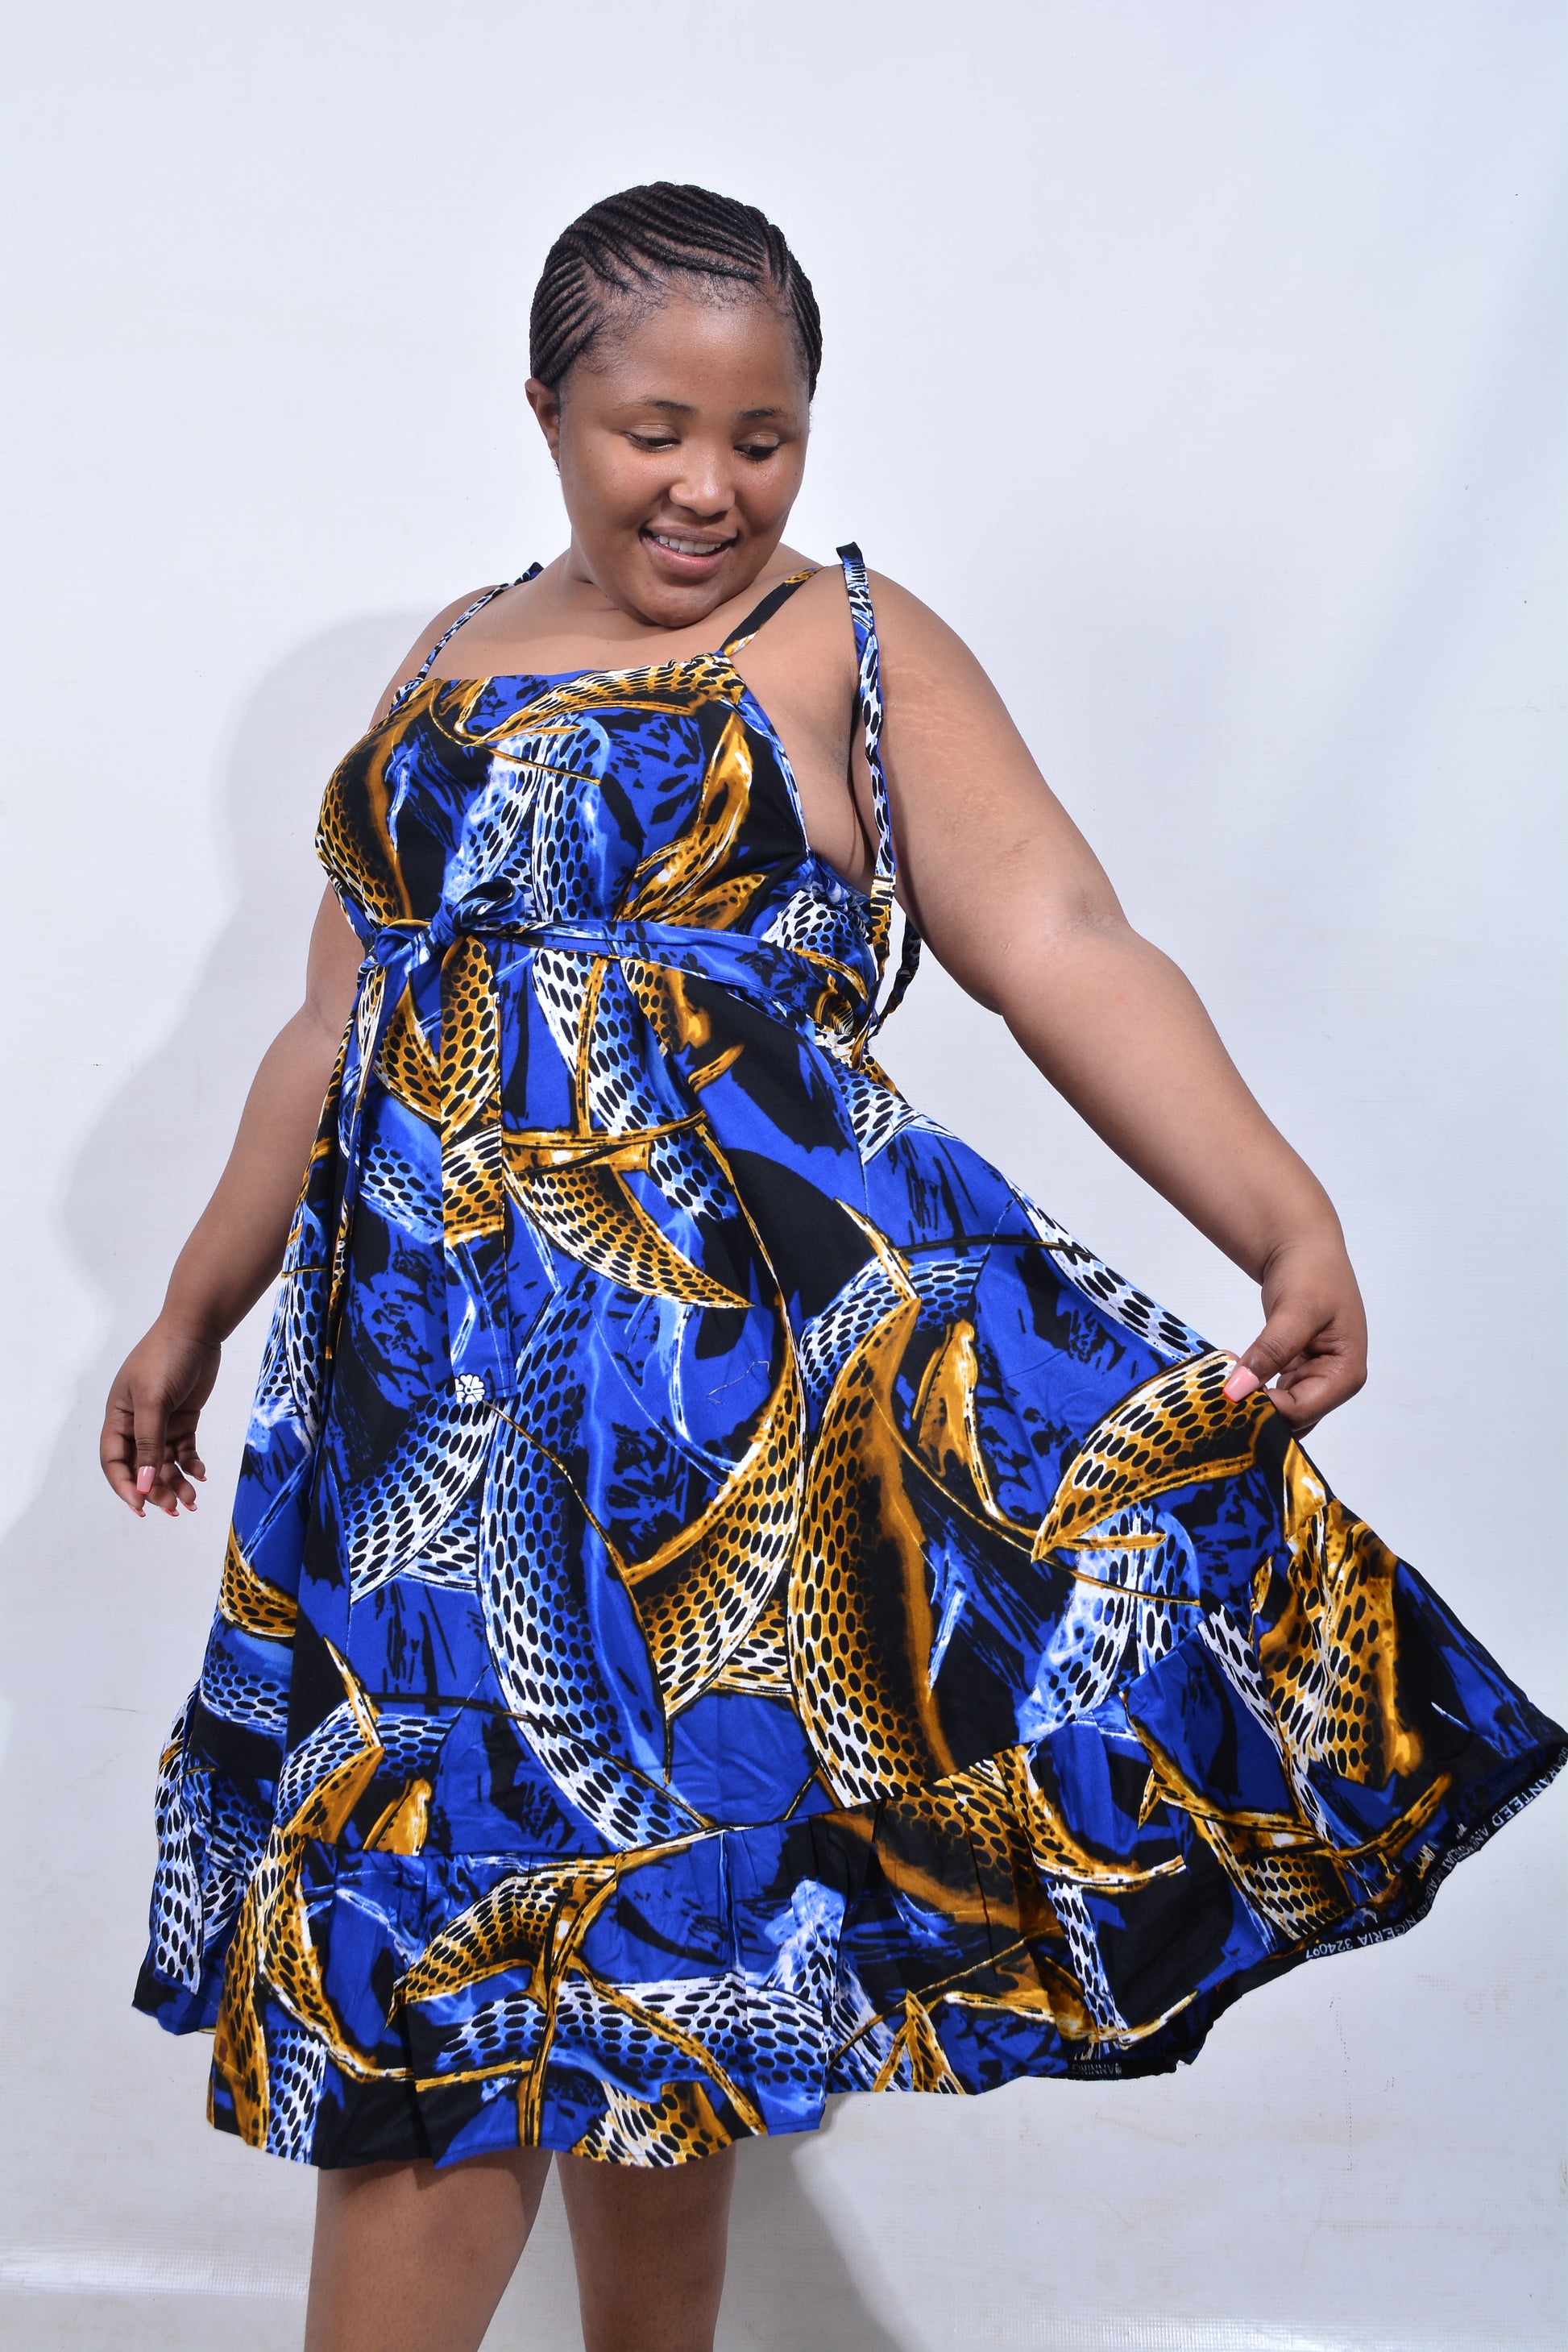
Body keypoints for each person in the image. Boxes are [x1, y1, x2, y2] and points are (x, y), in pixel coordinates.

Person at [104, 183, 1565, 2352]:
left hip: (711, 1438)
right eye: (653, 430)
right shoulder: (447, 652)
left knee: (628, 1990)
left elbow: (1059, 941)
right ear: (546, 411)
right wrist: (195, 1306)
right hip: (422, 1426)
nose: (708, 484)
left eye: (763, 435)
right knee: (471, 1979)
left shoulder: (846, 643)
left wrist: (1282, 1215)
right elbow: (335, 1029)